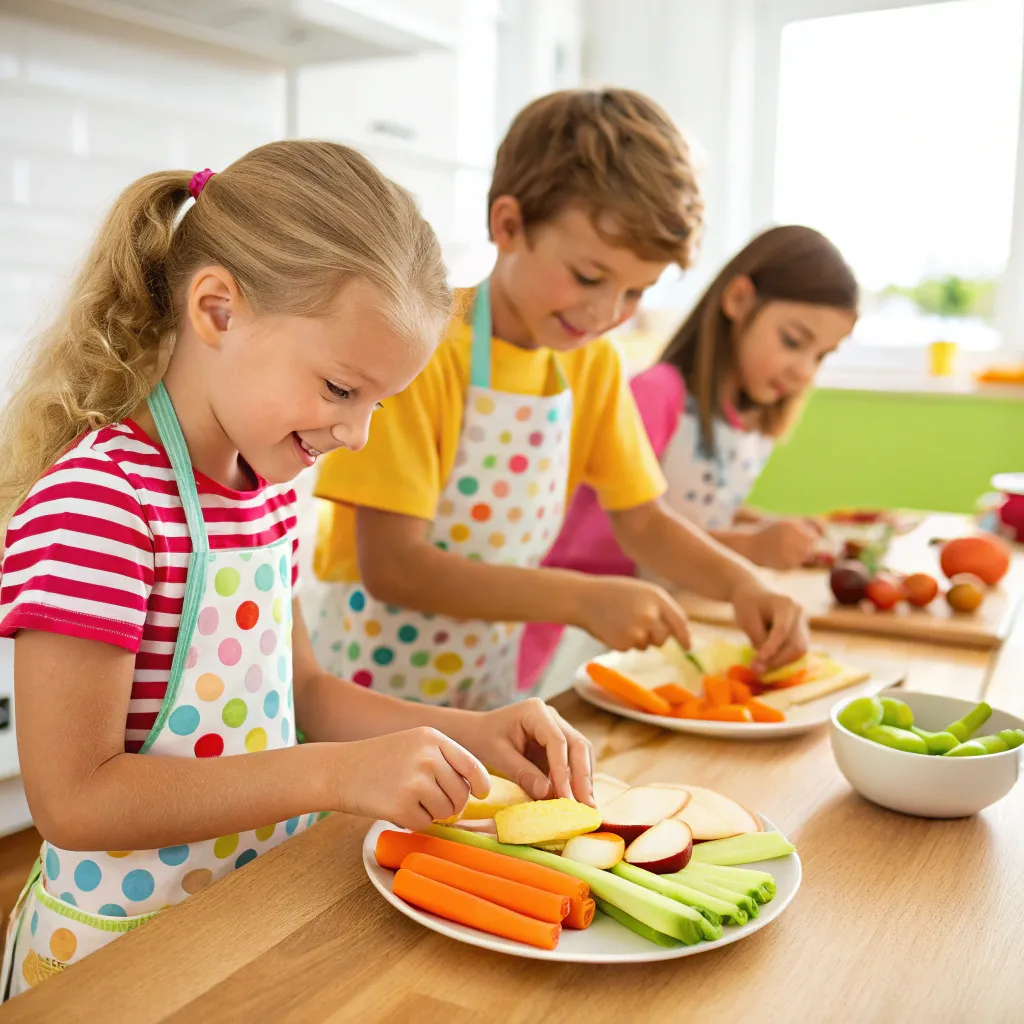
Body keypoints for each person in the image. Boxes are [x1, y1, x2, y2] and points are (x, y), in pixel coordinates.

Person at [0, 142, 592, 998]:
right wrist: (333, 774)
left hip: (249, 918)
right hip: (120, 958)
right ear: (217, 310)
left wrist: (475, 731)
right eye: (340, 389)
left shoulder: (264, 483)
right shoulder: (102, 503)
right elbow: (75, 801)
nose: (356, 435)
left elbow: (303, 690)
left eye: (379, 403)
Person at [309, 89, 810, 712]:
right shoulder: (419, 351)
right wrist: (580, 598)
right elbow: (396, 568)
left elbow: (645, 523)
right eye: (589, 276)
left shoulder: (593, 365)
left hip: (484, 696)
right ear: (509, 225)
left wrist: (743, 585)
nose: (605, 313)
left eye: (635, 292)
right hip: (364, 699)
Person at [520, 225, 858, 691]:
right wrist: (750, 549)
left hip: (663, 631)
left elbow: (696, 505)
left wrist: (760, 524)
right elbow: (612, 538)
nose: (804, 371)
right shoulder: (656, 395)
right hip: (581, 638)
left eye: (821, 356)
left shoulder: (751, 422)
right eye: (794, 341)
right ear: (738, 300)